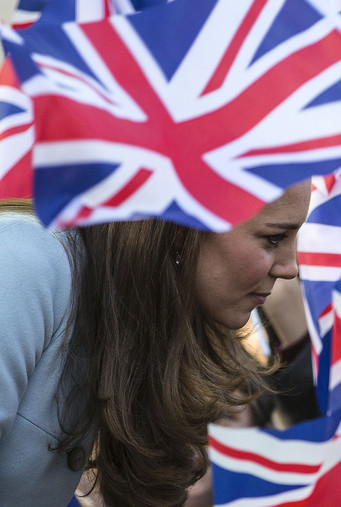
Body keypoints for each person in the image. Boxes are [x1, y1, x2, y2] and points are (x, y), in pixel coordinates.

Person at [0, 180, 311, 507]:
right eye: (273, 238)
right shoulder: (25, 260)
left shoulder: (135, 314)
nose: (290, 267)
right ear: (182, 226)